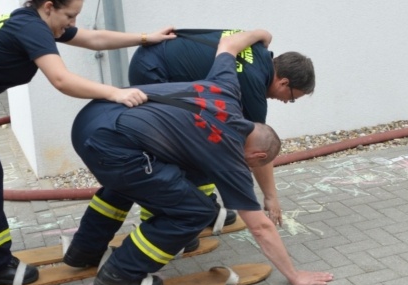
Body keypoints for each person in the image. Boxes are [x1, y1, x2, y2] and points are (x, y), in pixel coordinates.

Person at [0, 0, 175, 280]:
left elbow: (93, 39)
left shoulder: (32, 20)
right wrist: (115, 93)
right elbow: (61, 80)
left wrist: (144, 37)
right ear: (50, 7)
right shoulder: (34, 28)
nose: (71, 24)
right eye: (69, 16)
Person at [63, 30, 333, 285]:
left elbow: (227, 44)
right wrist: (294, 276)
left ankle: (85, 250)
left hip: (93, 115)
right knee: (195, 211)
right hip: (108, 143)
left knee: (132, 182)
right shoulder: (229, 152)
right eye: (251, 164)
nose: (246, 168)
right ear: (259, 156)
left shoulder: (227, 88)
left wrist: (262, 33)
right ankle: (120, 273)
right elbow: (261, 227)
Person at [128, 28, 316, 226]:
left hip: (153, 55)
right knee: (178, 146)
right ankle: (161, 221)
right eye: (292, 98)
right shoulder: (253, 84)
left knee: (208, 137)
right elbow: (262, 146)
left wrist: (262, 33)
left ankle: (205, 209)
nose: (286, 102)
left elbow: (264, 34)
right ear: (284, 83)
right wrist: (270, 197)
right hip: (153, 71)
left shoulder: (258, 51)